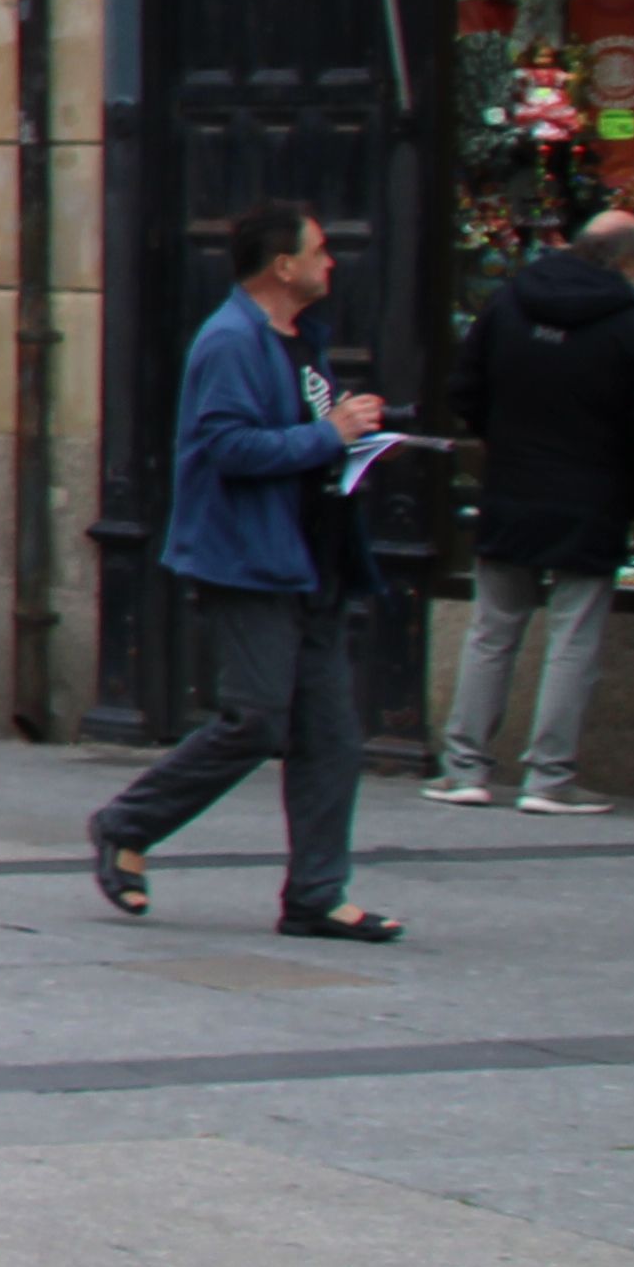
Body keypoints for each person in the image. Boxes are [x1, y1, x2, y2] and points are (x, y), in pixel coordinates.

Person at [88, 202, 405, 940]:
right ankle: (125, 822)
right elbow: (227, 447)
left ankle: (317, 894)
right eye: (320, 251)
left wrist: (355, 437)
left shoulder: (297, 340)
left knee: (330, 736)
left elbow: (300, 438)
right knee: (257, 719)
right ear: (282, 266)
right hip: (252, 558)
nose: (332, 262)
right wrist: (328, 434)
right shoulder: (230, 341)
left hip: (313, 558)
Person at [429, 201, 634, 812]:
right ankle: (549, 777)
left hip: (511, 488)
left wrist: (503, 440)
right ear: (628, 262)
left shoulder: (510, 303)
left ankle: (464, 768)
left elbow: (465, 389)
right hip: (592, 497)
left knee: (492, 631)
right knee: (574, 639)